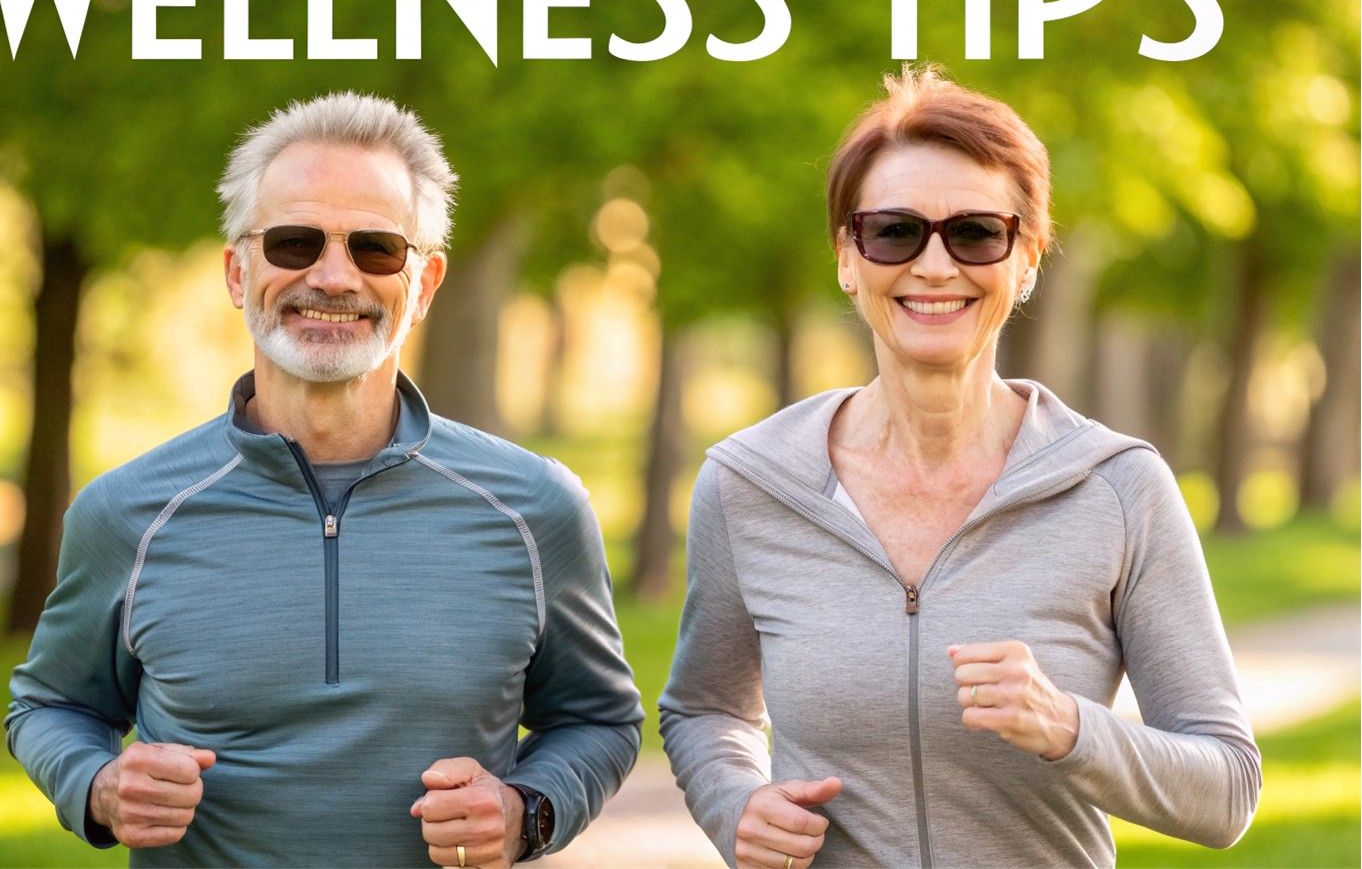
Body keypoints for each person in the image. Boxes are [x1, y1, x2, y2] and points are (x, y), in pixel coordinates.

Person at [7, 92, 643, 867]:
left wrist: (525, 810)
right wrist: (99, 784)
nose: (333, 276)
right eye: (294, 242)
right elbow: (50, 704)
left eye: (376, 247)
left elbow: (599, 720)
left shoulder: (534, 508)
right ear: (239, 272)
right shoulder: (126, 512)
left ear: (426, 281)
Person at [659, 68, 1261, 868]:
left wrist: (1069, 726)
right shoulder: (749, 484)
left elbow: (1228, 788)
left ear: (1028, 259)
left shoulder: (1119, 488)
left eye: (976, 232)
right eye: (895, 231)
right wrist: (735, 801)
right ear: (848, 256)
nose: (935, 267)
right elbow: (704, 709)